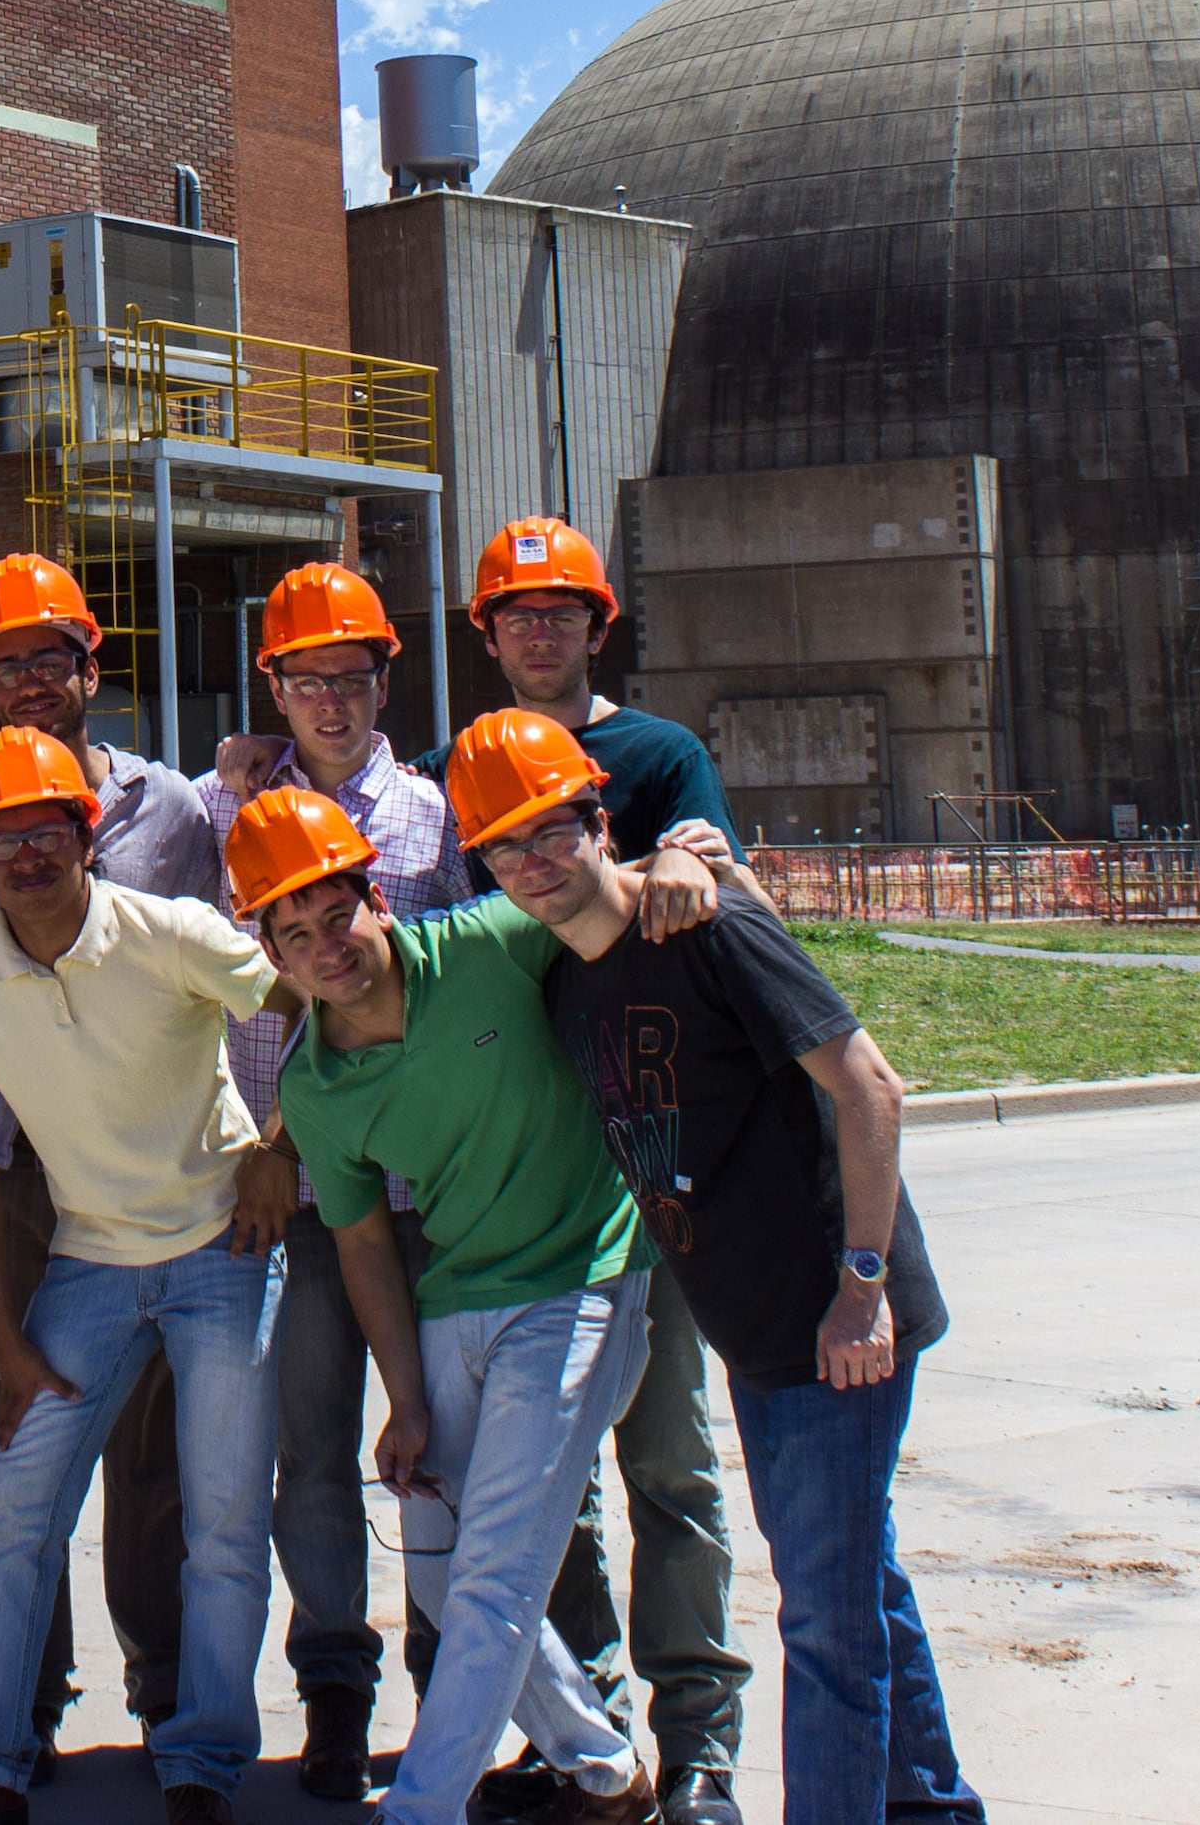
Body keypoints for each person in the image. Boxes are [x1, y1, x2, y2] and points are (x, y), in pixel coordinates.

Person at [500, 712, 984, 1825]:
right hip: (761, 1335)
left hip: (834, 1326)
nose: (533, 862)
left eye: (553, 830)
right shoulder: (567, 985)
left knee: (822, 1621)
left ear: (598, 822)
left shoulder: (706, 931)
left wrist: (860, 1290)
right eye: (505, 844)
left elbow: (871, 1087)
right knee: (859, 1582)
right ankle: (932, 1806)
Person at [244, 754, 657, 1825]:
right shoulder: (311, 1086)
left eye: (336, 915)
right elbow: (366, 1247)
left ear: (376, 898)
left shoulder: (485, 945)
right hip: (452, 1302)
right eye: (293, 936)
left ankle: (416, 1811)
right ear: (268, 953)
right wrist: (407, 1397)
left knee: (491, 1577)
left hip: (577, 1285)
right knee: (437, 1573)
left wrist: (694, 866)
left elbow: (612, 897)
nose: (324, 950)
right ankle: (607, 1776)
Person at [0, 722, 290, 1825]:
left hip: (223, 1252)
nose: (27, 858)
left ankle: (202, 1765)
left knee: (221, 1520)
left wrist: (284, 1146)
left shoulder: (170, 932)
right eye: (1, 840)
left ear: (88, 836)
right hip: (87, 1258)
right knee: (16, 1511)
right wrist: (5, 1338)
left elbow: (316, 1000)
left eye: (49, 832)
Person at [0, 552, 229, 1771]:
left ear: (93, 666)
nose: (30, 679)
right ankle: (17, 1707)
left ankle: (162, 1698)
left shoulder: (172, 811)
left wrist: (252, 1147)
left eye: (52, 656)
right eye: (4, 660)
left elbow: (219, 982)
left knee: (149, 1453)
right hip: (3, 1171)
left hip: (143, 1177)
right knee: (7, 1433)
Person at [467, 520, 752, 1825]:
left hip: (658, 1166)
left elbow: (717, 867)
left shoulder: (657, 754)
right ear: (487, 633)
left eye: (558, 610)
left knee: (671, 1469)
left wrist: (690, 856)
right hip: (535, 1179)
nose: (538, 629)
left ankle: (700, 1749)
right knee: (555, 1488)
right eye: (515, 612)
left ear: (598, 622)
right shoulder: (464, 769)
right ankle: (590, 1746)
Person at [199, 563, 478, 1802]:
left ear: (383, 680)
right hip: (295, 1199)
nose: (328, 699)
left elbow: (474, 987)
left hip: (426, 1197)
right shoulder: (224, 815)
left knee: (442, 1451)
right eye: (303, 679)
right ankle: (330, 1690)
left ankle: (446, 1686)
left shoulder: (432, 819)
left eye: (350, 677)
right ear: (273, 685)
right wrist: (257, 1140)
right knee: (307, 1455)